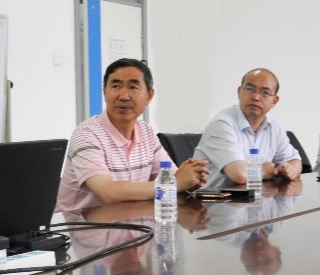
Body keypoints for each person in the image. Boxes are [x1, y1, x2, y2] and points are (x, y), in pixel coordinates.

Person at [56, 58, 208, 212]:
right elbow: (108, 193)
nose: (123, 96)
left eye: (133, 87)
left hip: (132, 220)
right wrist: (174, 184)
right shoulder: (87, 134)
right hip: (82, 224)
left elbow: (173, 178)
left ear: (149, 96)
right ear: (104, 92)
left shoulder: (146, 132)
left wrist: (192, 178)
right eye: (116, 86)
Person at [193, 68, 302, 190]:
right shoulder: (221, 124)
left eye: (265, 92)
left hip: (250, 198)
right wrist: (263, 171)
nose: (256, 97)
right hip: (210, 200)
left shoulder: (274, 128)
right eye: (250, 89)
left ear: (274, 101)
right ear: (240, 92)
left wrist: (289, 170)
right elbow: (239, 175)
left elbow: (296, 161)